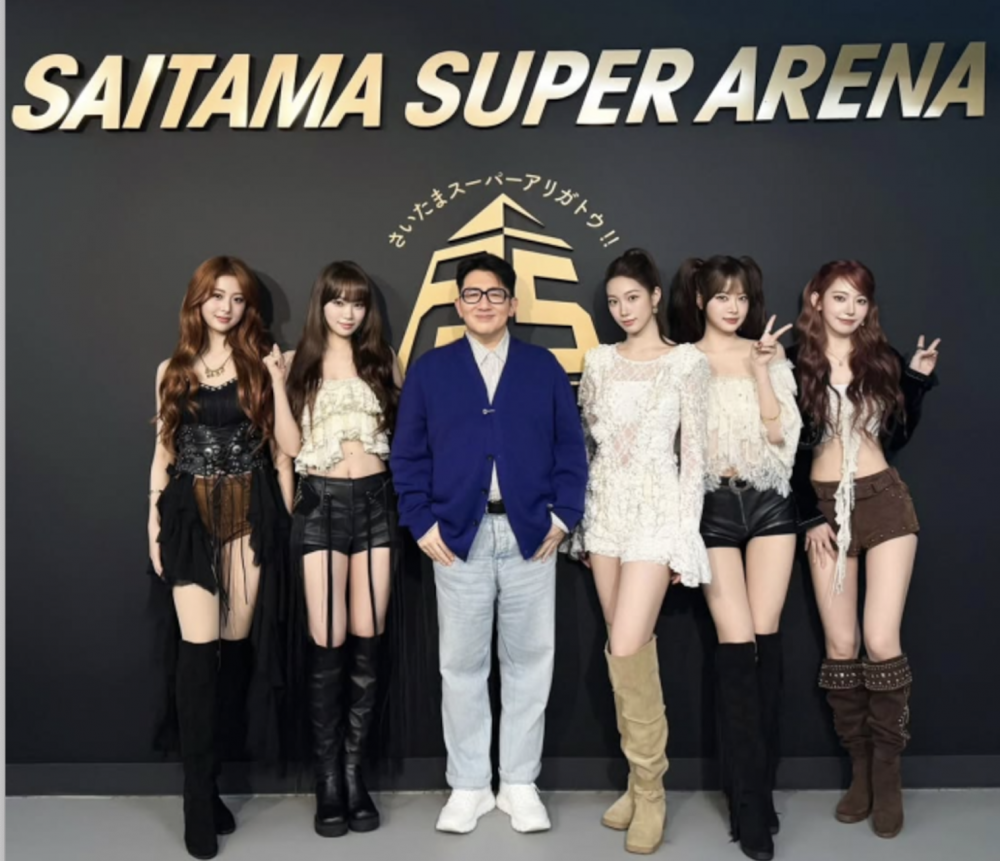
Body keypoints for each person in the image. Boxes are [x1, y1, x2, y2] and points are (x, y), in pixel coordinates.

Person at [390, 251, 588, 835]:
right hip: (457, 537)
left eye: (495, 293)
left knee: (530, 661)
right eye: (473, 294)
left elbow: (571, 448)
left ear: (513, 303)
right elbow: (408, 454)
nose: (484, 303)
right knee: (461, 664)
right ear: (458, 304)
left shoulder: (543, 367)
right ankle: (470, 785)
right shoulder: (430, 370)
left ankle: (520, 783)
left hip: (530, 534)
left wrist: (563, 516)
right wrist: (421, 522)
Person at [789, 260, 940, 839]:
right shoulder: (792, 363)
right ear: (817, 299)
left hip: (883, 500)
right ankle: (860, 770)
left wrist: (916, 381)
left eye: (859, 300)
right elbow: (788, 453)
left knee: (880, 639)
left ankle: (887, 773)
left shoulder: (882, 359)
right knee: (841, 644)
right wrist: (808, 516)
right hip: (823, 509)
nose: (850, 309)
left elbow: (896, 437)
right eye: (839, 298)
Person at [148, 256, 292, 860]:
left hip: (249, 511)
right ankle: (195, 799)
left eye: (237, 298)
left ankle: (209, 782)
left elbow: (284, 451)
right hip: (188, 513)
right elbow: (163, 451)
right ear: (198, 301)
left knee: (233, 654)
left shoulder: (261, 365)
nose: (226, 307)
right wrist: (151, 519)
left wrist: (279, 381)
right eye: (216, 296)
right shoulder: (172, 369)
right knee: (196, 656)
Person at [572, 248, 711, 855]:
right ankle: (637, 780)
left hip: (657, 513)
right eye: (613, 302)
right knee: (621, 653)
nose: (624, 310)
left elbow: (694, 459)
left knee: (628, 644)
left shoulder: (687, 363)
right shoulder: (599, 361)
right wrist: (581, 525)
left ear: (655, 297)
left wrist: (684, 538)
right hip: (605, 511)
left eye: (633, 297)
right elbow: (586, 446)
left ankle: (652, 792)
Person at [669, 255, 802, 861]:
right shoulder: (682, 360)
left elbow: (781, 439)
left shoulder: (767, 354)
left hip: (770, 502)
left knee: (766, 645)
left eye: (742, 297)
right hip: (713, 509)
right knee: (736, 645)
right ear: (700, 300)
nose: (733, 306)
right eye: (722, 296)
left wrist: (762, 372)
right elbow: (675, 448)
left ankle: (759, 789)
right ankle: (748, 803)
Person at [267, 261, 402, 837]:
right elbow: (288, 446)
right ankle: (326, 780)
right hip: (319, 506)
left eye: (358, 302)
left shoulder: (384, 360)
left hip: (376, 505)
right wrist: (277, 383)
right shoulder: (297, 363)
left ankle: (353, 773)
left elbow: (403, 436)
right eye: (338, 301)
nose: (348, 312)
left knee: (369, 639)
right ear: (321, 303)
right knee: (328, 640)